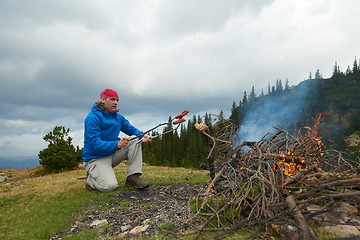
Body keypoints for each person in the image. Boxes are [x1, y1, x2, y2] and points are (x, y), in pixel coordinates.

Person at [82, 88, 152, 192]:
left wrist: (143, 136)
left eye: (117, 100)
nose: (115, 102)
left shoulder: (118, 117)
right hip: (95, 158)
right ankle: (91, 181)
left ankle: (133, 177)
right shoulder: (92, 118)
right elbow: (94, 143)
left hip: (111, 154)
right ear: (103, 100)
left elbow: (131, 129)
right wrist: (116, 145)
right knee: (110, 186)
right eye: (112, 99)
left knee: (134, 139)